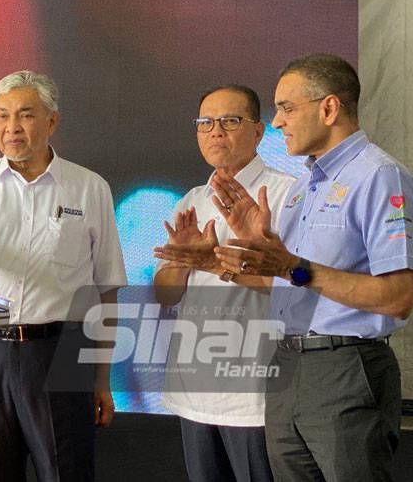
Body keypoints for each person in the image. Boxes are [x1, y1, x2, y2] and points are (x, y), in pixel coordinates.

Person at [211, 54, 413, 480]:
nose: (279, 121)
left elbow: (398, 298)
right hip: (287, 364)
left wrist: (294, 266)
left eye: (287, 107)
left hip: (345, 368)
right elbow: (292, 282)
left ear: (329, 108)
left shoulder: (379, 176)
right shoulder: (304, 185)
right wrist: (225, 262)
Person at [0, 70, 127, 481]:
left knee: (67, 471)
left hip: (62, 353)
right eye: (2, 116)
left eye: (25, 115)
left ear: (52, 121)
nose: (12, 128)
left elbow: (106, 291)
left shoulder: (89, 188)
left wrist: (102, 378)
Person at [152, 85, 294, 482]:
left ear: (259, 131)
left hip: (256, 394)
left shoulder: (285, 195)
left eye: (230, 121)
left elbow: (300, 289)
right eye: (206, 123)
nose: (216, 132)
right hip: (193, 390)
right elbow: (165, 295)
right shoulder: (191, 201)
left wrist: (219, 265)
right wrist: (182, 261)